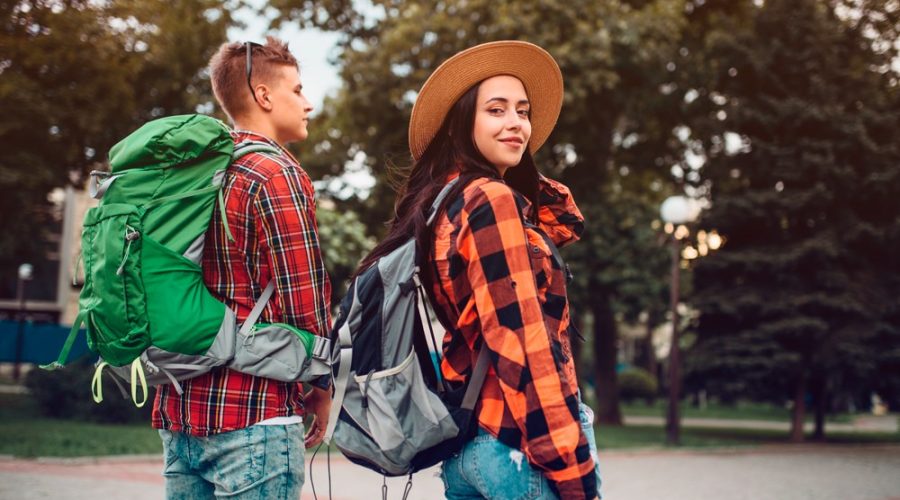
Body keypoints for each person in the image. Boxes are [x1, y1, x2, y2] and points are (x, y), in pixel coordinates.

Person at [356, 41, 601, 499]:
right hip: (518, 448)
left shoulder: (446, 203)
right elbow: (523, 342)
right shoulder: (488, 200)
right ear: (460, 124)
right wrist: (574, 473)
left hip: (468, 445)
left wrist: (509, 162)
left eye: (523, 112)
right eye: (496, 110)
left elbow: (564, 223)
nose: (517, 123)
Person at [151, 37, 332, 499]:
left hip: (179, 411)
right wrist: (323, 382)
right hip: (255, 416)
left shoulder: (192, 172)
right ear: (264, 96)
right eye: (297, 90)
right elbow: (304, 299)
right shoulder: (275, 174)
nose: (308, 104)